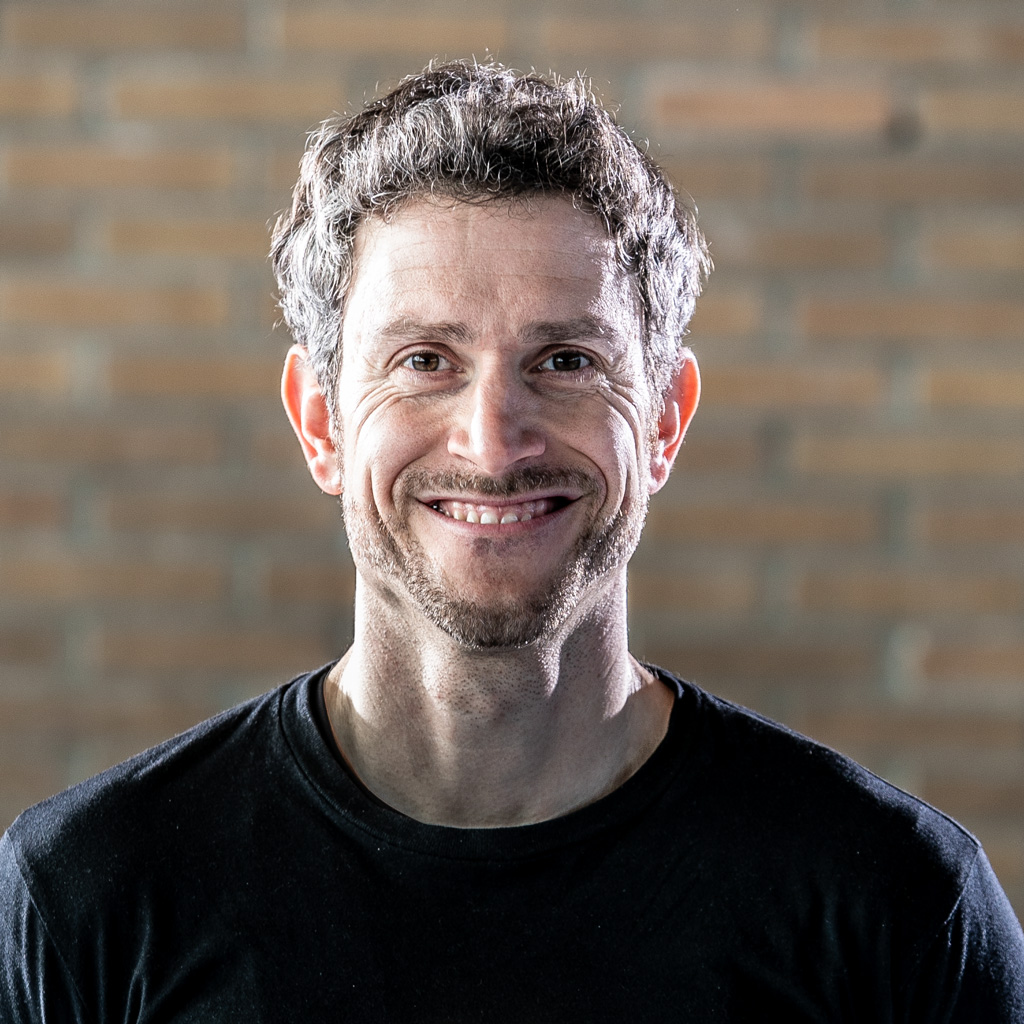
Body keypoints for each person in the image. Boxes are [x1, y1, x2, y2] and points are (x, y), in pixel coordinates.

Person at [1, 59, 1022, 1021]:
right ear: (320, 423)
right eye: (424, 360)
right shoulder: (88, 894)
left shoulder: (896, 901)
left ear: (665, 422)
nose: (493, 445)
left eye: (566, 360)